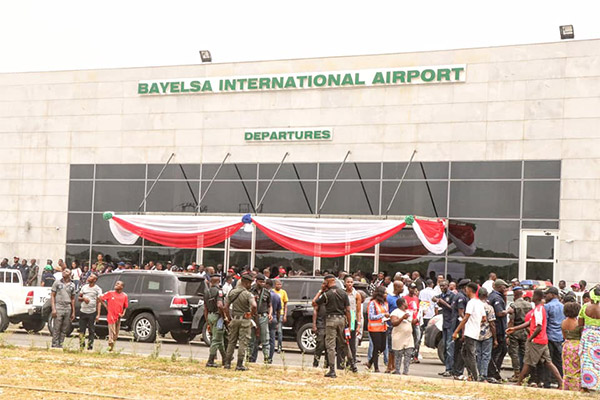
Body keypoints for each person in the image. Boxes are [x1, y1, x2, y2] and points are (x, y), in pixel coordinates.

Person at [505, 289, 563, 389]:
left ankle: (519, 382)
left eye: (533, 295)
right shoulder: (538, 309)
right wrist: (514, 328)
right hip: (542, 340)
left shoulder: (539, 310)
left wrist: (530, 338)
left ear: (537, 297)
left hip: (537, 340)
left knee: (527, 362)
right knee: (548, 362)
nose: (531, 297)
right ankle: (561, 382)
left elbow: (539, 327)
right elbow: (530, 323)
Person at [313, 274, 355, 378]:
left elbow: (314, 303)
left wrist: (320, 291)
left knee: (330, 345)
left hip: (331, 320)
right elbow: (348, 310)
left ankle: (332, 370)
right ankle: (353, 365)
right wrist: (349, 325)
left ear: (328, 281)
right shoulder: (343, 293)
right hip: (342, 319)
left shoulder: (327, 294)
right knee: (344, 343)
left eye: (325, 282)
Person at [223, 274, 257, 371]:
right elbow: (254, 305)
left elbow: (225, 307)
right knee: (243, 342)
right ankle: (239, 364)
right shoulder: (248, 294)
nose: (250, 285)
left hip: (234, 319)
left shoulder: (232, 292)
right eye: (250, 283)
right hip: (244, 320)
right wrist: (251, 314)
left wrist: (229, 318)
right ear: (246, 283)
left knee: (231, 342)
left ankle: (227, 363)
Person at [452, 282, 485, 381]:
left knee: (470, 355)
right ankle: (471, 374)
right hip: (475, 331)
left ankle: (475, 376)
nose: (465, 291)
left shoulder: (471, 302)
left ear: (470, 290)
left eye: (466, 289)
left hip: (470, 332)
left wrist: (456, 331)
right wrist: (476, 320)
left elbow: (466, 317)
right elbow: (484, 318)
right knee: (464, 352)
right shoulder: (480, 303)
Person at [507, 286, 532, 382]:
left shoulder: (514, 305)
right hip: (526, 330)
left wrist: (508, 332)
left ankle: (517, 374)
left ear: (515, 294)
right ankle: (525, 374)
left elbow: (511, 320)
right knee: (524, 352)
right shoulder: (529, 305)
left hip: (515, 330)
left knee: (514, 353)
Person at [578, 286, 600, 392]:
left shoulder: (585, 306)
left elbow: (580, 323)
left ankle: (586, 385)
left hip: (587, 336)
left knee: (586, 361)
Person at [432, 280, 455, 377]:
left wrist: (444, 303)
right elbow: (434, 298)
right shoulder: (442, 295)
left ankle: (450, 369)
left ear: (448, 286)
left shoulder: (452, 295)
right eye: (440, 286)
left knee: (450, 347)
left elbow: (453, 309)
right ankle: (447, 368)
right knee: (445, 347)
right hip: (444, 324)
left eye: (444, 286)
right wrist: (436, 300)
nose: (442, 287)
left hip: (451, 324)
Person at [487, 279, 509, 382]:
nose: (505, 289)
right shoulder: (496, 298)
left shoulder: (494, 296)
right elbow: (499, 313)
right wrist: (508, 311)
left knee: (501, 350)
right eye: (504, 287)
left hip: (498, 329)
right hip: (498, 329)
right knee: (498, 352)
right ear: (499, 287)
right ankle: (493, 374)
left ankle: (495, 373)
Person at [544, 286, 565, 387]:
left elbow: (545, 323)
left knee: (548, 361)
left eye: (547, 294)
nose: (545, 295)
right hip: (560, 336)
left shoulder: (547, 306)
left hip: (549, 336)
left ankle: (547, 383)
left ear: (552, 295)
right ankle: (560, 382)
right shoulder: (563, 306)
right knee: (558, 360)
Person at [204, 274, 226, 367]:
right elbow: (220, 305)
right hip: (218, 317)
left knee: (219, 338)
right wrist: (224, 316)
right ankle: (210, 360)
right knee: (216, 339)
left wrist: (207, 320)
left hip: (210, 315)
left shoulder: (207, 292)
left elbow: (205, 308)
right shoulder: (219, 291)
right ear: (218, 282)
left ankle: (225, 358)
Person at [249, 274, 272, 364]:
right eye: (260, 282)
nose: (262, 283)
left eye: (263, 282)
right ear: (256, 281)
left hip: (263, 316)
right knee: (251, 338)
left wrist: (270, 314)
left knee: (265, 339)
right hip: (252, 316)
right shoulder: (250, 291)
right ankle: (249, 358)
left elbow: (270, 305)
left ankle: (267, 358)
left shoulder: (266, 292)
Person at [50, 268, 76, 348]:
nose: (64, 272)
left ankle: (61, 344)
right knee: (57, 327)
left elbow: (72, 299)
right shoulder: (57, 283)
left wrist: (73, 311)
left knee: (65, 328)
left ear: (70, 274)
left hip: (67, 307)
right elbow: (52, 296)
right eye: (64, 271)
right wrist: (53, 309)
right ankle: (54, 344)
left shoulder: (72, 285)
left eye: (67, 271)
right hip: (59, 306)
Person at [100, 280, 128, 352]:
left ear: (122, 287)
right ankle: (110, 344)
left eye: (118, 284)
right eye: (116, 283)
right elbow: (101, 298)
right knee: (111, 332)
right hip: (111, 316)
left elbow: (125, 306)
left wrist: (123, 313)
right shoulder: (110, 293)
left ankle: (112, 348)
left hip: (118, 316)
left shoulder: (124, 296)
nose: (116, 285)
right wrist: (106, 307)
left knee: (116, 333)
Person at [367, 286, 389, 373]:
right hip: (374, 329)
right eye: (385, 293)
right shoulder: (373, 303)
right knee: (376, 347)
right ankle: (376, 367)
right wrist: (383, 315)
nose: (386, 295)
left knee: (383, 347)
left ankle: (370, 362)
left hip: (383, 327)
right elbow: (371, 316)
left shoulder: (384, 303)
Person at [450, 279, 470, 378]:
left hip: (455, 325)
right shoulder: (462, 297)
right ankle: (458, 372)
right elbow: (461, 314)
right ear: (464, 287)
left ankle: (455, 371)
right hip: (459, 326)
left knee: (457, 349)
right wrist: (463, 330)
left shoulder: (457, 295)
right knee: (461, 350)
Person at [476, 288, 497, 383]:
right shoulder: (489, 308)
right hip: (487, 334)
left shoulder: (474, 306)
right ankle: (483, 375)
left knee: (477, 355)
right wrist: (495, 338)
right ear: (486, 296)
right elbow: (492, 324)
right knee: (485, 356)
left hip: (475, 334)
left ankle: (478, 374)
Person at [561, 302, 582, 391]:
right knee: (576, 368)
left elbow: (564, 336)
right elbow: (581, 336)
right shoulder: (578, 324)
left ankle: (566, 387)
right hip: (576, 346)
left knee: (567, 368)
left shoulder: (563, 323)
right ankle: (576, 387)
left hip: (566, 345)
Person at [390, 297, 414, 375]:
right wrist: (402, 318)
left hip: (408, 337)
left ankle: (406, 371)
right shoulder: (395, 312)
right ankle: (397, 370)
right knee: (398, 355)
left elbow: (411, 321)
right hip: (398, 337)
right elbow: (394, 323)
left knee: (408, 354)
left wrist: (417, 320)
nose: (407, 304)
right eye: (406, 302)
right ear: (403, 303)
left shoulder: (408, 312)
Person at [78, 273, 102, 350]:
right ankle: (82, 345)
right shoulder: (84, 287)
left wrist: (98, 315)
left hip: (92, 312)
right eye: (89, 276)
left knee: (91, 330)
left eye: (91, 276)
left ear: (95, 280)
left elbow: (99, 302)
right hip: (83, 311)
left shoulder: (97, 289)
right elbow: (79, 298)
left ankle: (90, 346)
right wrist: (83, 299)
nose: (89, 277)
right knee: (82, 330)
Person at [385, 280, 404, 373]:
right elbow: (386, 310)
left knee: (397, 347)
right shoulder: (389, 298)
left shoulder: (399, 297)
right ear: (396, 287)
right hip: (391, 325)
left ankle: (394, 365)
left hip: (399, 325)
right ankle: (389, 366)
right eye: (401, 287)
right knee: (391, 347)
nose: (403, 289)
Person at [342, 276, 361, 368]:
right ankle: (341, 362)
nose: (350, 284)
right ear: (345, 283)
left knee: (352, 341)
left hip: (353, 318)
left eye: (351, 282)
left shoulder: (356, 294)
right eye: (348, 282)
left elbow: (358, 311)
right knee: (343, 340)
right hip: (344, 317)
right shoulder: (342, 293)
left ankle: (351, 363)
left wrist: (359, 324)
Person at [404, 283, 421, 363]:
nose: (413, 290)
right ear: (408, 288)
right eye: (411, 288)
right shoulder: (404, 298)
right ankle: (409, 356)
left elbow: (417, 310)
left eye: (414, 288)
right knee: (408, 339)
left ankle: (415, 355)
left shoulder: (416, 298)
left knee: (417, 339)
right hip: (408, 321)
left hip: (416, 321)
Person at [312, 289, 328, 368]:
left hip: (329, 323)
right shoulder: (321, 297)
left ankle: (326, 365)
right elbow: (314, 305)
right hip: (320, 323)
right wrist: (314, 324)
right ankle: (315, 363)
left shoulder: (331, 296)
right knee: (320, 345)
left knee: (328, 346)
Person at [266, 279, 281, 363]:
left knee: (261, 338)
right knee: (272, 340)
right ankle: (270, 358)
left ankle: (253, 357)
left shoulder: (265, 294)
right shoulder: (277, 296)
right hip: (274, 317)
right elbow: (279, 311)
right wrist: (278, 321)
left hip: (266, 317)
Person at [273, 279, 288, 353]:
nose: (279, 286)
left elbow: (285, 305)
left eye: (280, 284)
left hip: (280, 313)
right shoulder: (272, 292)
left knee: (279, 331)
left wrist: (285, 315)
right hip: (273, 313)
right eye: (277, 284)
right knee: (272, 330)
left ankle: (279, 347)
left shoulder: (283, 292)